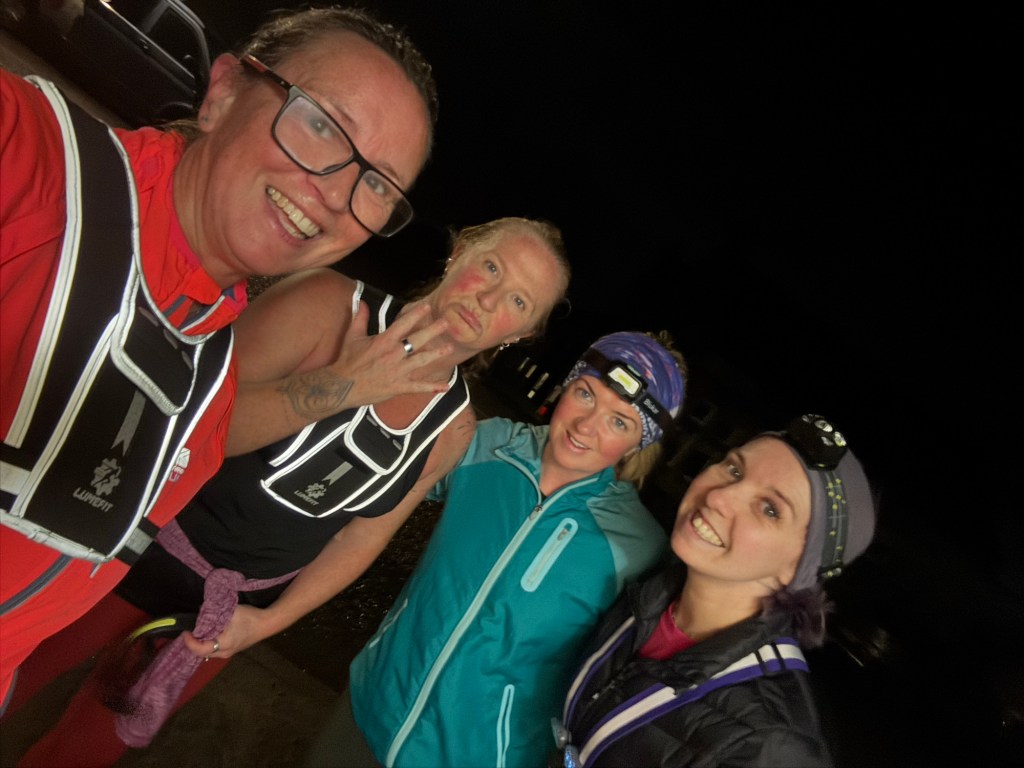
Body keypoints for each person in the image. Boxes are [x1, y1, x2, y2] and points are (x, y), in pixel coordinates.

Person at [0, 5, 442, 715]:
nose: (336, 193)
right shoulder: (32, 157)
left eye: (377, 187)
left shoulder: (208, 382)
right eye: (321, 124)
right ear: (224, 92)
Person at [11, 216, 572, 766]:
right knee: (16, 669)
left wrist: (266, 623)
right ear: (459, 252)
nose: (488, 299)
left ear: (519, 334)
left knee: (87, 748)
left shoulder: (452, 430)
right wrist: (342, 387)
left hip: (225, 612)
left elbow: (360, 539)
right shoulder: (328, 305)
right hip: (127, 549)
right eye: (491, 267)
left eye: (518, 301)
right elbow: (190, 425)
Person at [316, 330, 689, 768]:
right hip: (371, 702)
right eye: (586, 394)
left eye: (619, 422)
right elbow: (382, 474)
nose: (586, 426)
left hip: (480, 758)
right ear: (567, 385)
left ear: (638, 444)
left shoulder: (639, 548)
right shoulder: (487, 444)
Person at [548, 413, 878, 767]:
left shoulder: (772, 744)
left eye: (770, 509)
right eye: (734, 469)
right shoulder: (643, 599)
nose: (720, 497)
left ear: (800, 569)